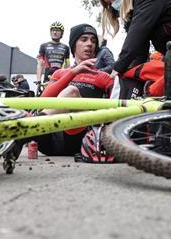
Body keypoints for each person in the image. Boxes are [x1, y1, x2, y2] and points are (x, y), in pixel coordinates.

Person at [33, 23, 114, 156]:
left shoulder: (104, 77)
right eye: (84, 39)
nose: (90, 44)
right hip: (49, 141)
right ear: (74, 45)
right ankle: (30, 127)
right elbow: (44, 101)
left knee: (72, 91)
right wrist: (73, 72)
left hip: (82, 139)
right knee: (71, 90)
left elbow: (116, 109)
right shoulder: (60, 73)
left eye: (93, 41)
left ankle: (28, 128)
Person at [35, 21, 70, 86]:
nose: (54, 32)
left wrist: (68, 78)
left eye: (57, 30)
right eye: (53, 30)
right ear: (50, 32)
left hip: (60, 77)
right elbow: (40, 64)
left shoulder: (66, 47)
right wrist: (38, 80)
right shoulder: (43, 46)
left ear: (62, 33)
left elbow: (68, 65)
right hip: (47, 78)